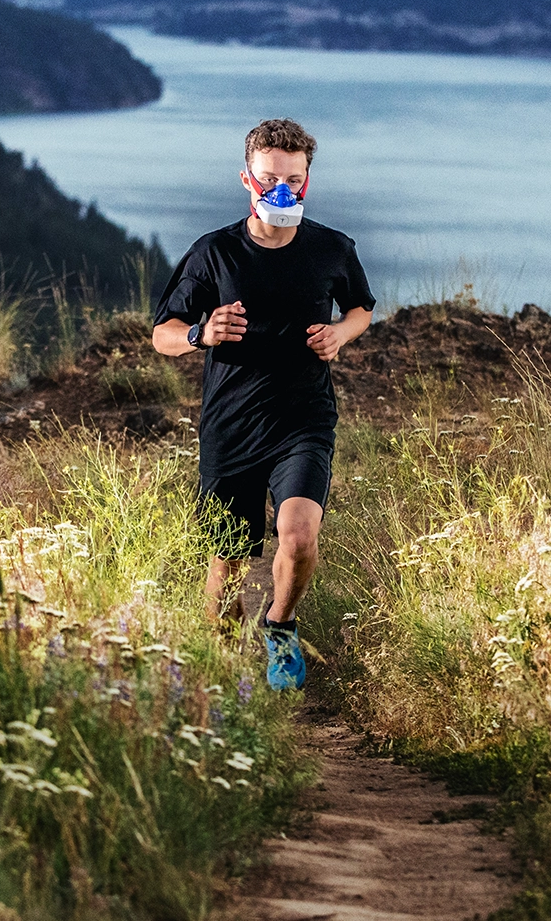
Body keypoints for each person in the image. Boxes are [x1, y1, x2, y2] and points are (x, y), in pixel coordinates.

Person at [151, 118, 374, 690]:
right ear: (246, 178)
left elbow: (361, 308)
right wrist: (202, 333)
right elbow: (163, 333)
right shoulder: (214, 253)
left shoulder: (332, 247)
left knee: (298, 537)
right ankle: (222, 675)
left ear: (307, 181)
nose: (283, 191)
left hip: (303, 420)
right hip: (230, 427)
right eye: (270, 178)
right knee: (225, 564)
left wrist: (340, 336)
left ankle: (280, 627)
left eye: (294, 180)